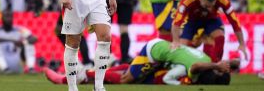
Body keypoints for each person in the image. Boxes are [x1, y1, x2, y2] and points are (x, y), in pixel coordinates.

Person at [45, 39, 237, 85]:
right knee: (126, 79)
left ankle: (94, 70)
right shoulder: (195, 69)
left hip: (162, 51)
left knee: (132, 69)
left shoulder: (206, 58)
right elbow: (189, 69)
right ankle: (83, 75)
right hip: (155, 53)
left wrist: (220, 64)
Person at [171, 0, 247, 62]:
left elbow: (234, 21)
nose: (209, 8)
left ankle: (215, 67)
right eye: (206, 6)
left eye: (212, 6)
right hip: (192, 20)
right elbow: (177, 21)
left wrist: (242, 44)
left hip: (211, 19)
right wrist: (175, 41)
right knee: (183, 47)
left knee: (220, 38)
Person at [0, 9, 37, 74]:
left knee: (29, 44)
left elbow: (34, 38)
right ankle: (5, 69)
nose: (8, 19)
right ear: (2, 18)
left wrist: (23, 43)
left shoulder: (20, 30)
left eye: (10, 16)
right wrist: (12, 41)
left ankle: (31, 68)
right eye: (6, 16)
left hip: (17, 65)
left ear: (13, 18)